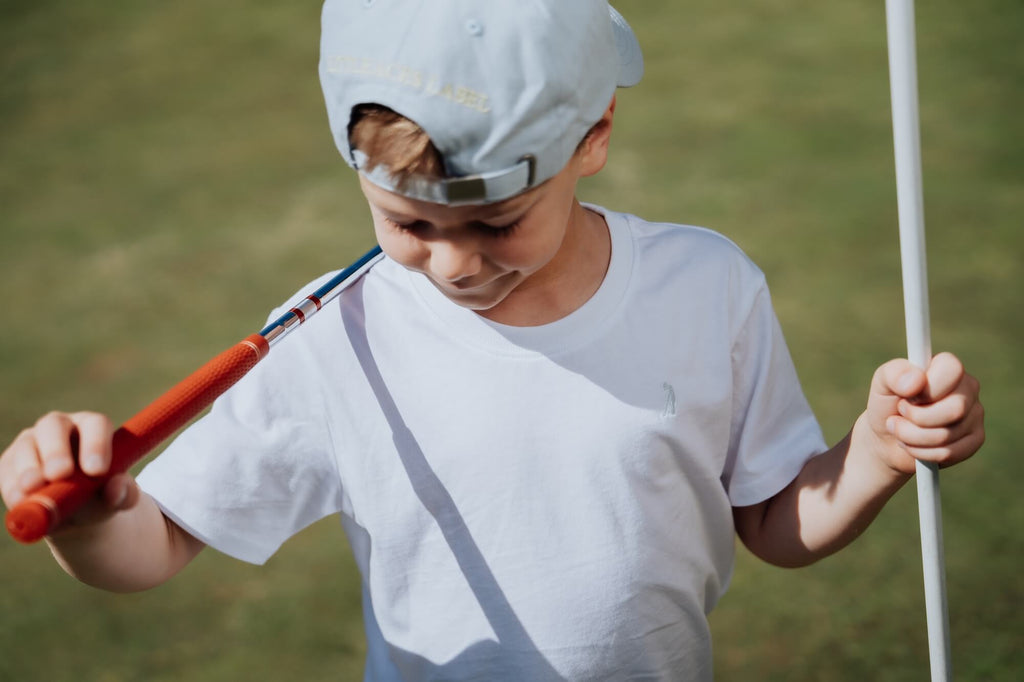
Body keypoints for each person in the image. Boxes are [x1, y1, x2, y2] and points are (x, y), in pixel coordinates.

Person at [0, 2, 984, 680]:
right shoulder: (337, 333)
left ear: (592, 134)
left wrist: (875, 455)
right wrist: (92, 519)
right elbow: (160, 541)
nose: (459, 266)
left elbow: (773, 522)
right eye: (410, 226)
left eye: (498, 222)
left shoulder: (705, 286)